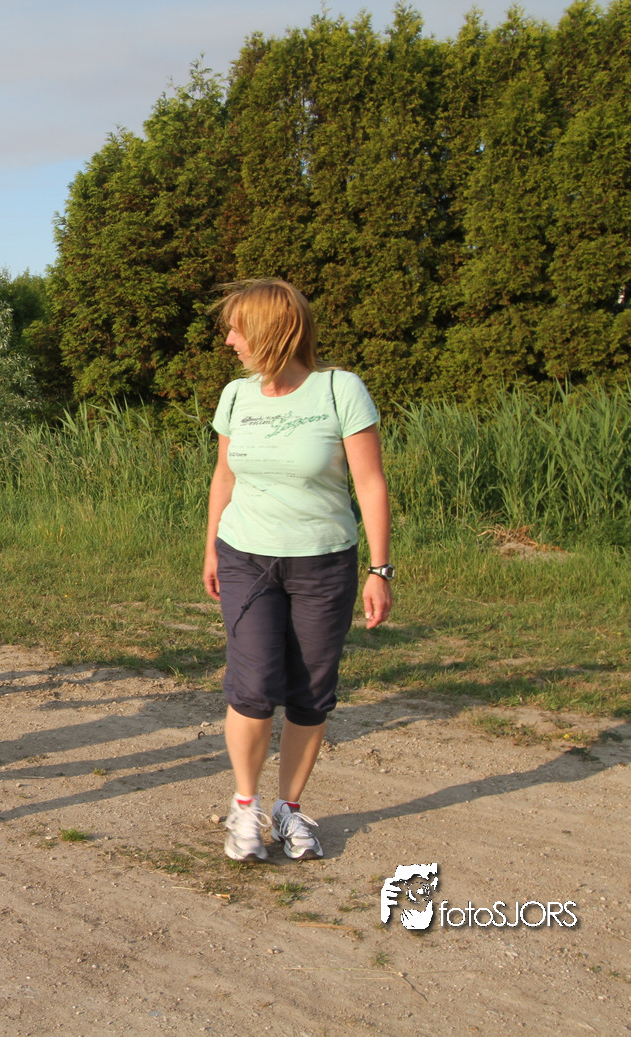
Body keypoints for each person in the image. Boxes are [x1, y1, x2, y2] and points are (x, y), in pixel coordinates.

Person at [202, 279, 393, 862]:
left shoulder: (340, 389)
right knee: (253, 688)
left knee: (311, 693)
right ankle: (245, 808)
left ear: (272, 332)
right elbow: (224, 476)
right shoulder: (237, 395)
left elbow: (370, 483)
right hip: (246, 556)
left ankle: (289, 809)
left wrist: (380, 569)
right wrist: (210, 549)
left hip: (323, 562)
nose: (230, 341)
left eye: (238, 330)